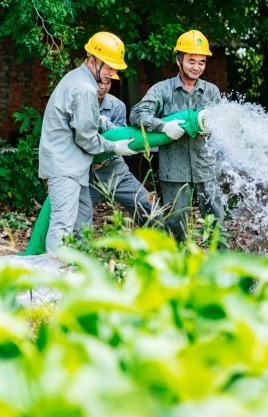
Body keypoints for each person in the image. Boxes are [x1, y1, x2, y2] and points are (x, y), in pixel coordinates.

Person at [39, 31, 136, 255]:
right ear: (92, 60)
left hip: (74, 166)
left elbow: (88, 118)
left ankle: (79, 270)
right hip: (65, 167)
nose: (113, 73)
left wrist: (114, 129)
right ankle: (55, 281)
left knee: (82, 220)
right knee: (63, 225)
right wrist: (115, 147)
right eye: (109, 67)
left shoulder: (77, 78)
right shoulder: (84, 88)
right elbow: (86, 137)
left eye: (115, 67)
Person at [129, 29, 223, 245]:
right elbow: (137, 114)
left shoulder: (212, 92)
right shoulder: (162, 90)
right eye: (191, 61)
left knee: (217, 223)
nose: (196, 67)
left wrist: (210, 130)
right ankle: (178, 270)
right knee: (176, 225)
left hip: (206, 168)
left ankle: (222, 271)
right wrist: (163, 126)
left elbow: (222, 126)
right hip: (174, 171)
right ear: (179, 60)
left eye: (201, 62)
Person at [74, 76, 158, 230]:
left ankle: (160, 246)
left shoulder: (117, 105)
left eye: (108, 82)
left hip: (114, 170)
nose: (103, 87)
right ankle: (72, 250)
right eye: (99, 82)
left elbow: (121, 138)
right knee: (75, 217)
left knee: (148, 207)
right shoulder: (79, 102)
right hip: (86, 174)